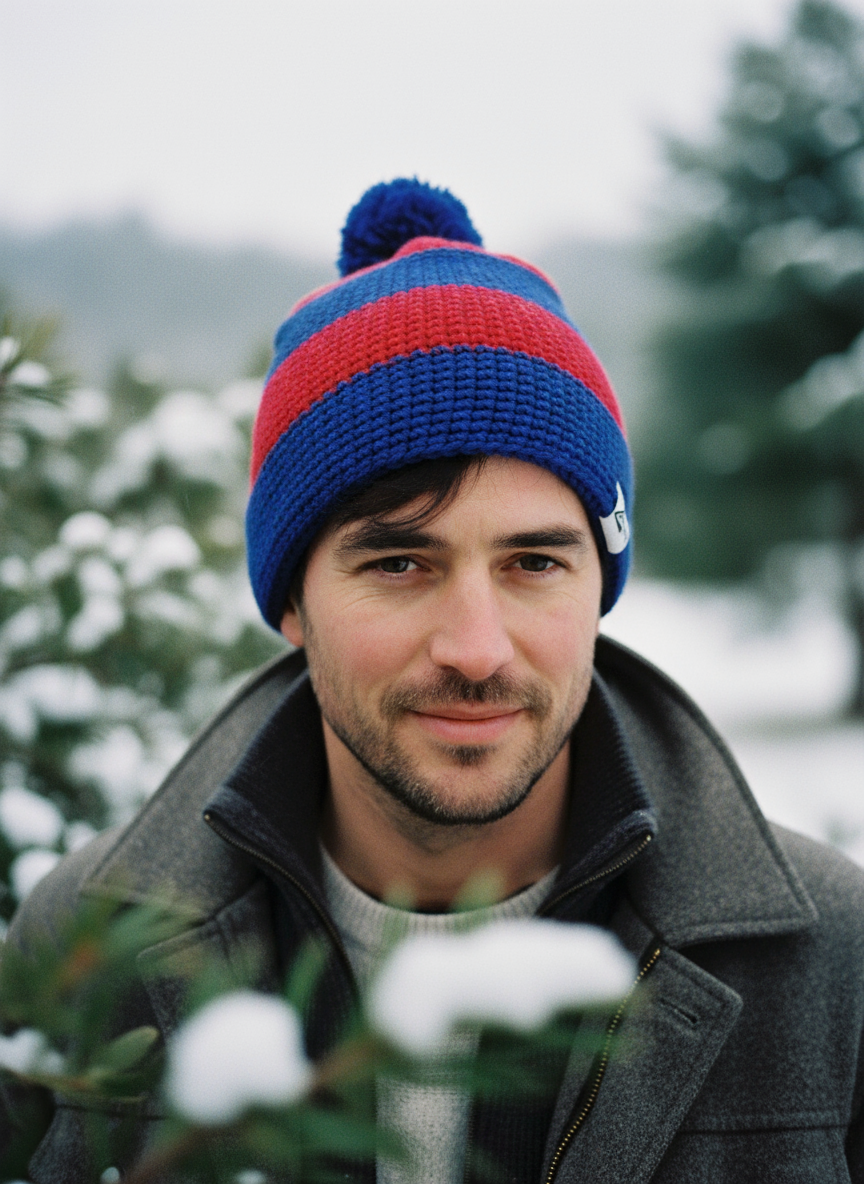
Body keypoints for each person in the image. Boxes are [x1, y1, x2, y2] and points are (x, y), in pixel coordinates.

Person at [5, 178, 864, 1183]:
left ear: (600, 586)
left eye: (534, 562)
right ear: (292, 601)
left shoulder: (829, 964)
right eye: (400, 563)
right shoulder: (79, 948)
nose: (476, 646)